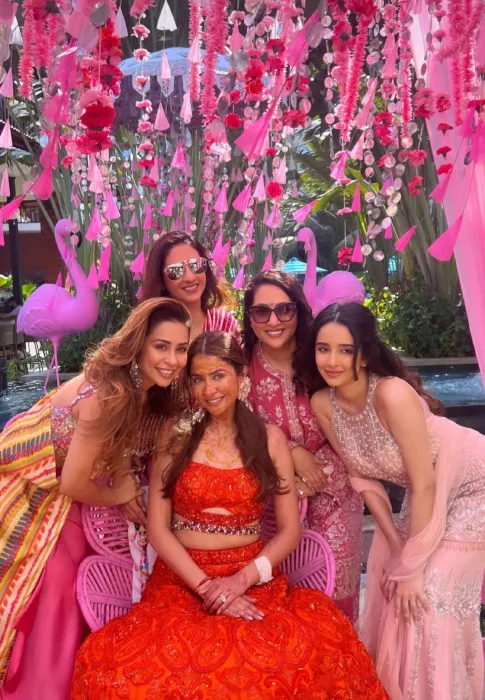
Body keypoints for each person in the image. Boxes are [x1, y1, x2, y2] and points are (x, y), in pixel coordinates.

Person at [72, 331, 387, 699]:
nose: (209, 389)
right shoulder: (174, 436)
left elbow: (289, 532)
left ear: (242, 376)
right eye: (198, 379)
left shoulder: (270, 440)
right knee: (137, 672)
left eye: (219, 375)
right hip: (181, 581)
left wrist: (240, 582)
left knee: (296, 657)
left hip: (251, 579)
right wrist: (208, 588)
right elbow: (158, 530)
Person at [0, 298, 191, 700]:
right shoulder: (108, 394)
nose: (173, 360)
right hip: (29, 487)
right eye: (161, 346)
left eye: (181, 348)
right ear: (138, 344)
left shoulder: (136, 387)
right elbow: (73, 483)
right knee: (57, 579)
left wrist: (123, 479)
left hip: (62, 488)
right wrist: (119, 493)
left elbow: (117, 442)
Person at [308, 302, 485, 700]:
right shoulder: (323, 404)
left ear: (364, 354)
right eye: (323, 348)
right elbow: (361, 477)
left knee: (426, 596)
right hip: (431, 494)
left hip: (474, 489)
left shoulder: (391, 393)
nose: (332, 361)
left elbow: (423, 483)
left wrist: (412, 568)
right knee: (394, 592)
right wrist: (395, 545)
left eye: (345, 350)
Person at [243, 270, 363, 621]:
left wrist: (316, 473)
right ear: (250, 318)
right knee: (283, 605)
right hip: (274, 504)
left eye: (285, 309)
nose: (274, 321)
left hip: (335, 497)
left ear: (299, 310)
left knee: (333, 600)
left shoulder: (321, 355)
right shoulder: (241, 365)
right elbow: (237, 429)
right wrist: (290, 457)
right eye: (261, 312)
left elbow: (354, 419)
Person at [140, 230, 239, 340]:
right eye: (176, 270)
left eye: (196, 265)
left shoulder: (224, 324)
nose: (190, 277)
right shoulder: (147, 329)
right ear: (161, 280)